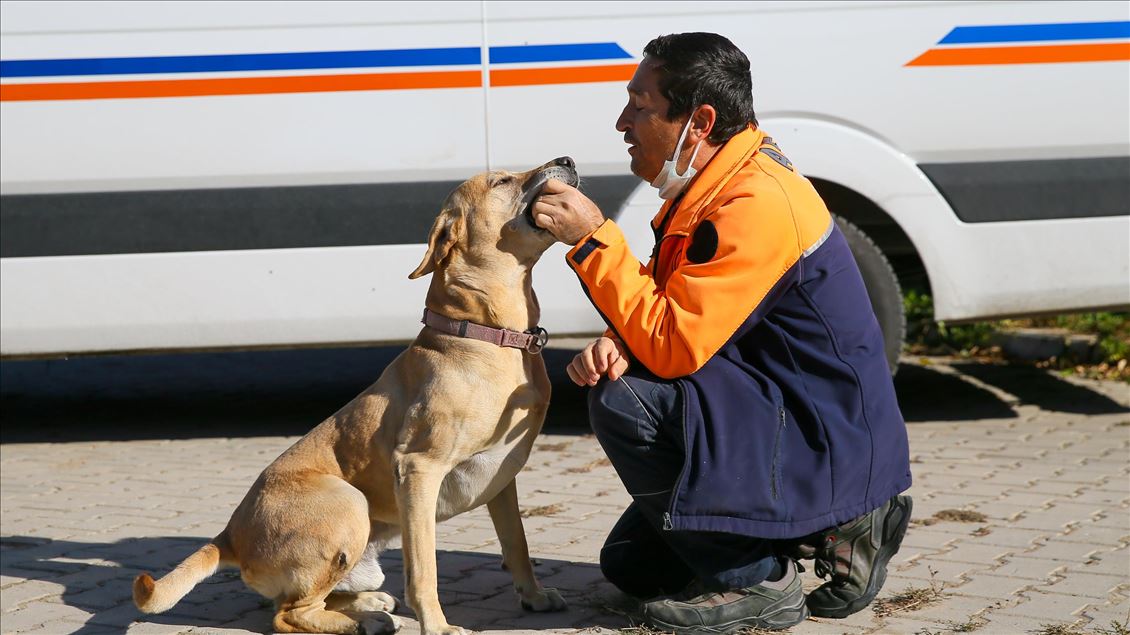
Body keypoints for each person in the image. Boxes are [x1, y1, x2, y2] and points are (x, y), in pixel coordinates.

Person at [531, 32, 913, 633]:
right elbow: (681, 305)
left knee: (624, 399)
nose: (622, 123)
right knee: (633, 566)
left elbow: (674, 347)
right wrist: (621, 339)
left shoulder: (755, 203)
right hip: (771, 409)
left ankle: (763, 580)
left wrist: (592, 240)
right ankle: (828, 529)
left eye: (641, 106)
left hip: (818, 437)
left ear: (700, 121)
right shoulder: (717, 183)